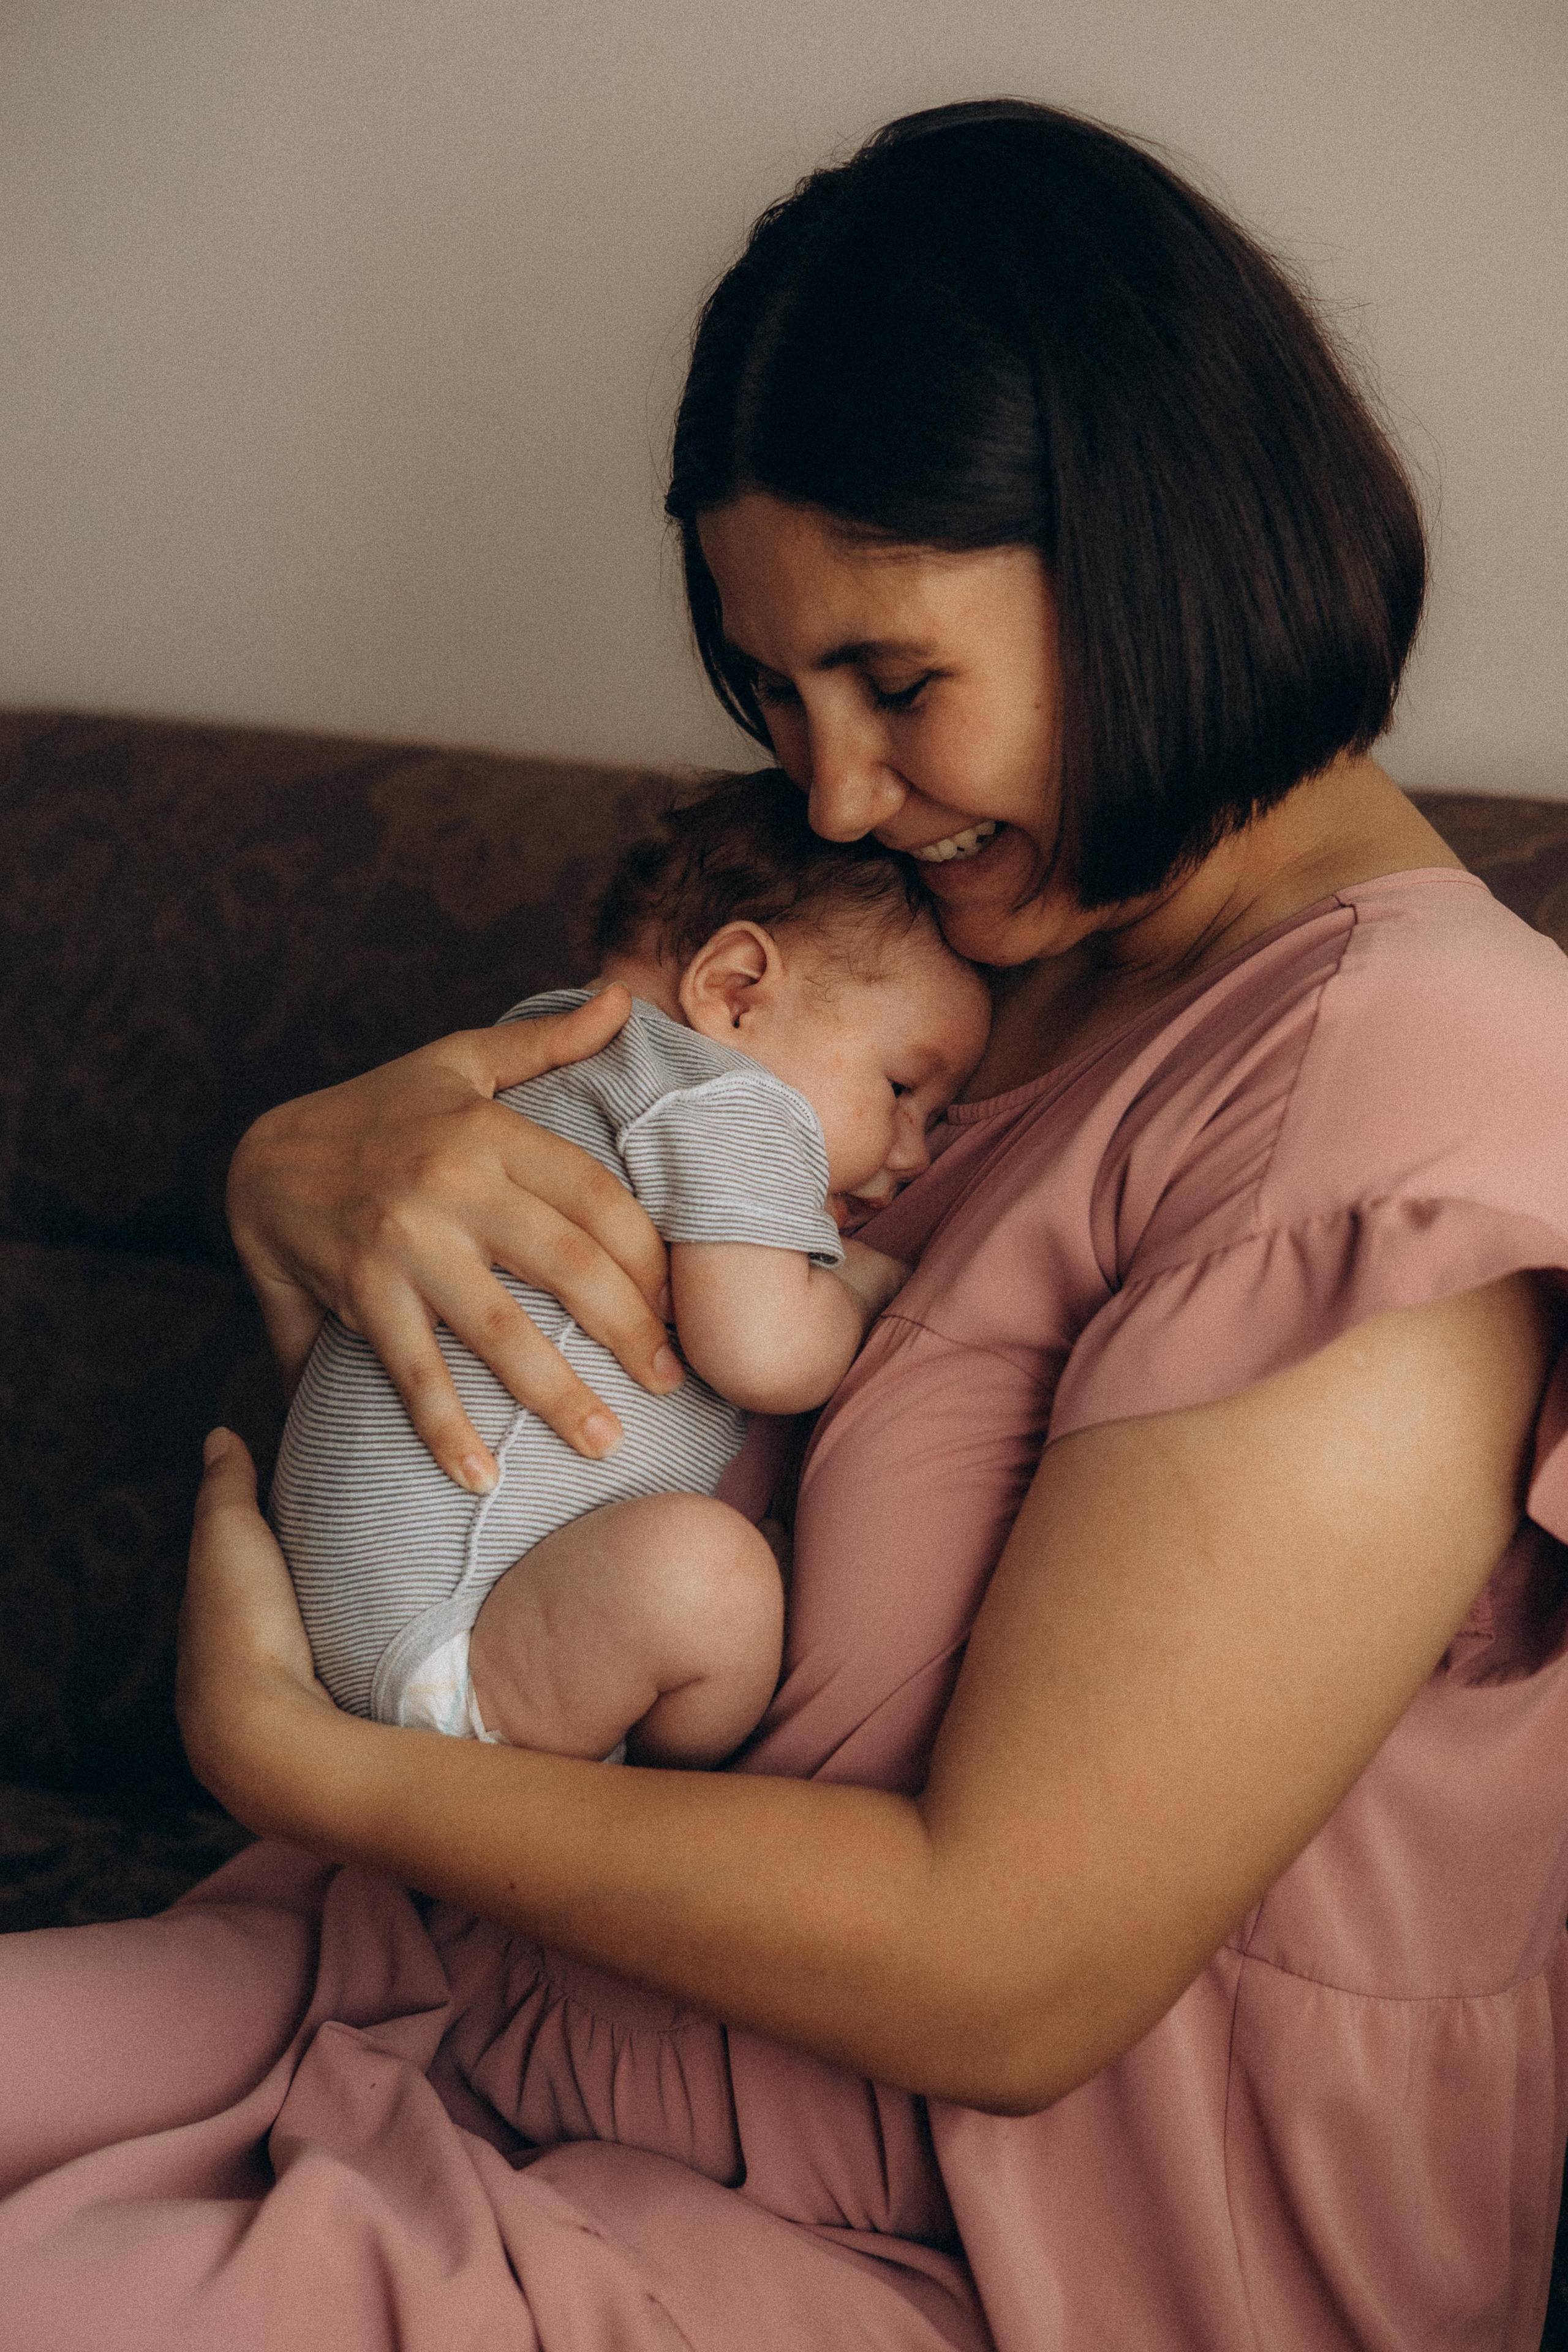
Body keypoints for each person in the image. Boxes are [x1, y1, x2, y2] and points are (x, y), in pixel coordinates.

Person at [5, 96, 1568, 2352]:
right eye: (776, 691)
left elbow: (1010, 1969)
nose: (834, 797)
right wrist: (306, 1169)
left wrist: (308, 1764)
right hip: (464, 1990)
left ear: (1163, 549)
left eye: (898, 683)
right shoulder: (972, 969)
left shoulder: (1414, 1087)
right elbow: (532, 1395)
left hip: (951, 2230)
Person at [271, 771, 989, 1762]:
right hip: (458, 1639)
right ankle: (654, 1786)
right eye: (903, 1086)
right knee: (719, 1584)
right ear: (736, 991)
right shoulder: (728, 1098)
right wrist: (872, 1281)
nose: (914, 1152)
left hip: (334, 1597)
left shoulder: (539, 1052)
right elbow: (766, 1353)